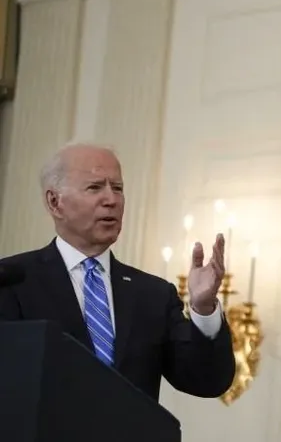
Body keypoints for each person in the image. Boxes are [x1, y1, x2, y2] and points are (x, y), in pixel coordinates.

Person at [0, 142, 236, 401]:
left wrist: (204, 309)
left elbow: (207, 381)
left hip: (130, 441)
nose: (111, 200)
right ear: (55, 202)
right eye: (94, 187)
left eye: (118, 188)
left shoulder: (153, 295)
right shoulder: (12, 281)